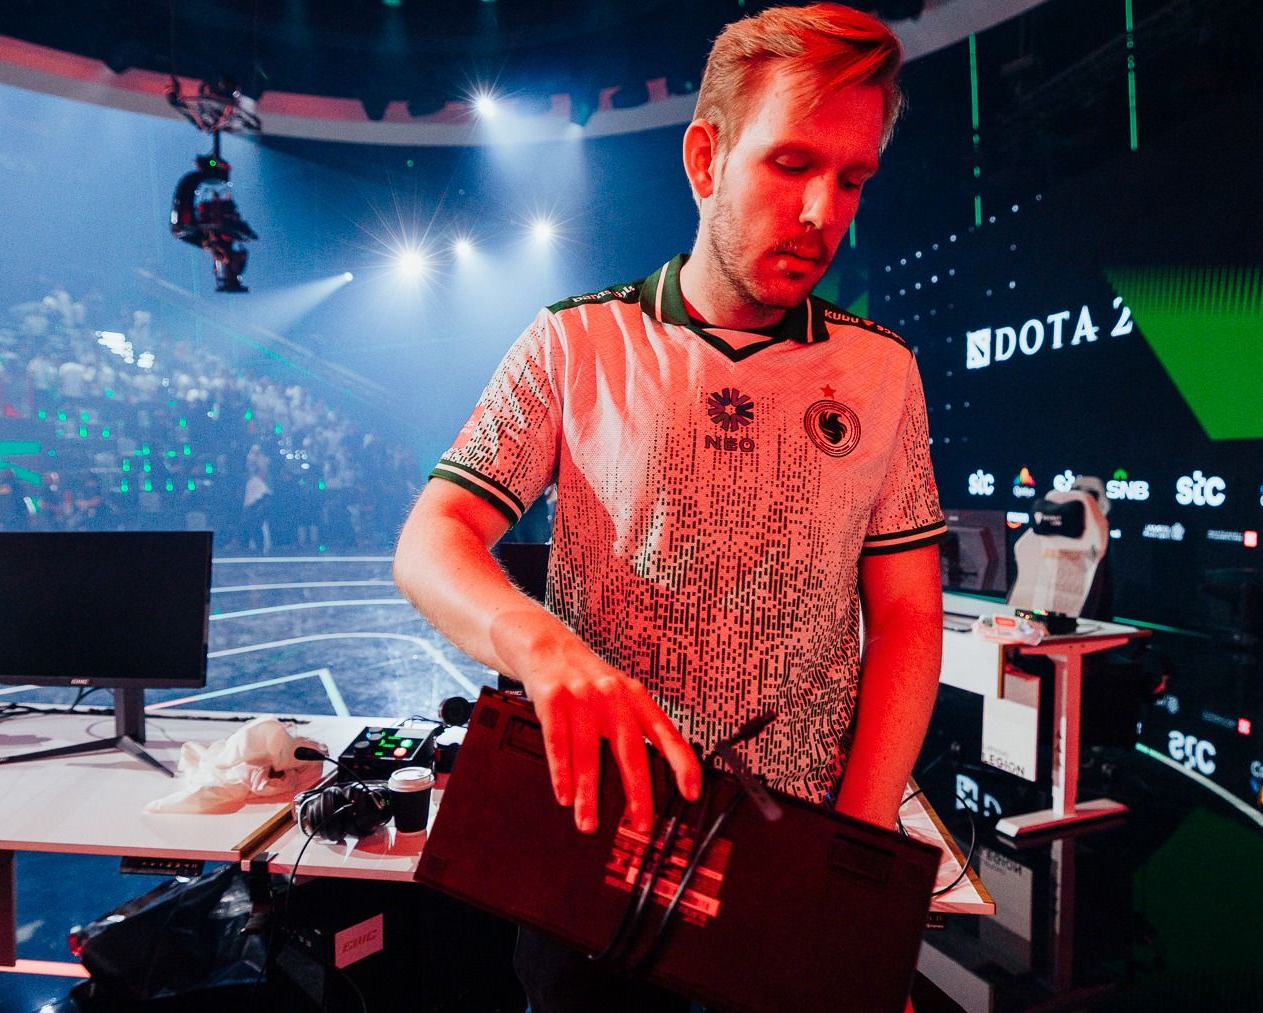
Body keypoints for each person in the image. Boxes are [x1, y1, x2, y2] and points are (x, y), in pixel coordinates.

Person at [392, 6, 943, 1008]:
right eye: (790, 163)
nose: (821, 210)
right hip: (597, 832)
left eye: (851, 179)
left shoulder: (880, 369)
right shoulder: (574, 343)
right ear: (705, 158)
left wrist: (856, 845)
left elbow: (906, 609)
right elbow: (433, 538)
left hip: (794, 843)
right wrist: (541, 647)